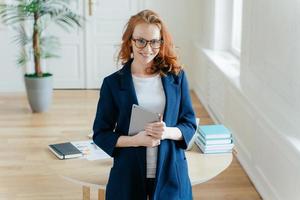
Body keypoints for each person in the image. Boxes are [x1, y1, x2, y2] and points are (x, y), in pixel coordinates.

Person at [93, 9, 196, 200]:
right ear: (130, 41)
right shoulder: (113, 84)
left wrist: (166, 132)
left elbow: (189, 123)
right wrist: (135, 141)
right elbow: (101, 133)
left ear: (161, 42)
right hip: (128, 174)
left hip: (171, 172)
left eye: (155, 41)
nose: (148, 49)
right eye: (141, 41)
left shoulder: (177, 78)